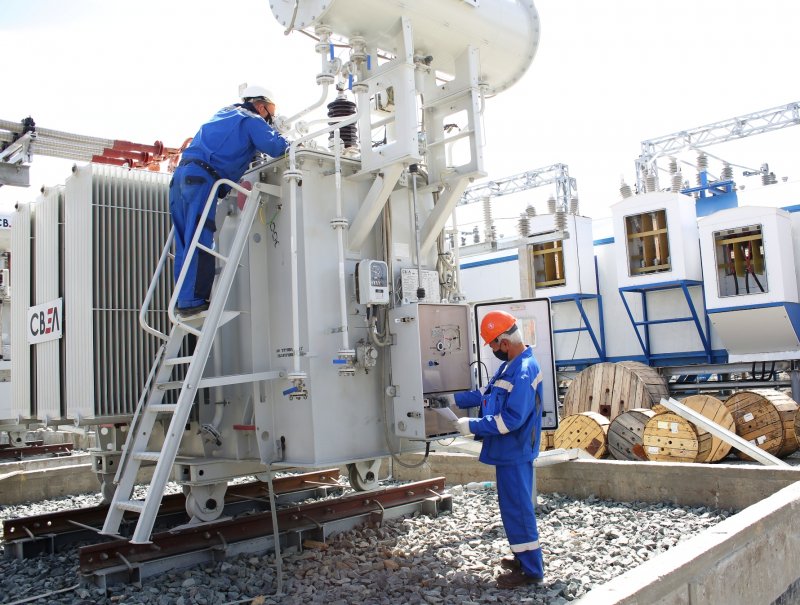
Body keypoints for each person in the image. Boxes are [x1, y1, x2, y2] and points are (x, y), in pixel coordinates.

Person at [169, 85, 289, 317]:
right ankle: (193, 300)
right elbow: (276, 147)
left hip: (180, 179)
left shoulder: (224, 114)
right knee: (201, 238)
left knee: (186, 242)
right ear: (261, 106)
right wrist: (292, 145)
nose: (269, 118)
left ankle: (184, 299)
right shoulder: (251, 119)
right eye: (270, 113)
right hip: (201, 180)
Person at [451, 310, 545, 589]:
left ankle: (531, 570)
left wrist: (474, 426)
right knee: (512, 507)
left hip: (514, 451)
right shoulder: (512, 365)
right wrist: (449, 398)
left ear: (504, 341)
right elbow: (486, 394)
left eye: (492, 344)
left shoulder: (525, 369)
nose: (492, 350)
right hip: (509, 452)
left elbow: (512, 419)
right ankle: (521, 555)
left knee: (518, 509)